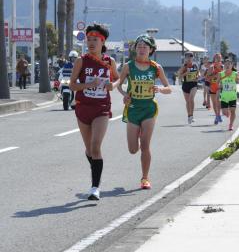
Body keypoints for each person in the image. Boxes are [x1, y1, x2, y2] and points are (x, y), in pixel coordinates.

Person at [69, 24, 119, 201]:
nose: (91, 43)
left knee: (96, 146)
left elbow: (118, 79)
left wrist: (111, 85)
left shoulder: (109, 61)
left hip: (101, 109)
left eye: (94, 40)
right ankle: (95, 171)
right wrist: (88, 85)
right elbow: (72, 85)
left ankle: (95, 187)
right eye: (88, 39)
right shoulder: (81, 61)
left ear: (102, 41)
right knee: (89, 150)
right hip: (83, 107)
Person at [117, 34, 171, 190]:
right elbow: (119, 85)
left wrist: (160, 89)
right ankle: (138, 135)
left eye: (144, 47)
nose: (141, 49)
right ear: (135, 49)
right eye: (138, 46)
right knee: (133, 150)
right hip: (133, 109)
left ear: (151, 50)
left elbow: (168, 89)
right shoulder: (128, 66)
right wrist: (125, 95)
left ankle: (145, 178)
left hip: (149, 108)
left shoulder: (156, 67)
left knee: (145, 145)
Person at [217, 59, 239, 131]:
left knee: (233, 111)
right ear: (224, 65)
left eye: (229, 64)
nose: (227, 65)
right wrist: (219, 85)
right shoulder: (221, 74)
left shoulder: (235, 74)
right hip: (224, 96)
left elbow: (238, 80)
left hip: (232, 96)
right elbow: (217, 83)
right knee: (224, 112)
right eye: (226, 64)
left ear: (232, 65)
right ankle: (227, 112)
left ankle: (231, 125)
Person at [178, 51, 199, 124]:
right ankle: (189, 116)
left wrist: (197, 77)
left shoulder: (195, 65)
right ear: (185, 58)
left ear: (192, 57)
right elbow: (179, 76)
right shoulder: (184, 66)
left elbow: (198, 73)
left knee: (191, 99)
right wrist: (186, 73)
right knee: (187, 102)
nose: (189, 58)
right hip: (186, 84)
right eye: (187, 57)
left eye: (190, 56)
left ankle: (192, 116)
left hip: (193, 84)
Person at [206, 53, 223, 124]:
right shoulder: (211, 67)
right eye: (217, 58)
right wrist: (215, 75)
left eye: (219, 57)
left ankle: (218, 114)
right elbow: (207, 78)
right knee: (214, 103)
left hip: (220, 87)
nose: (218, 59)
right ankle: (217, 116)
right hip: (212, 87)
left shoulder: (223, 67)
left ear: (221, 59)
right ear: (214, 59)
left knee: (218, 101)